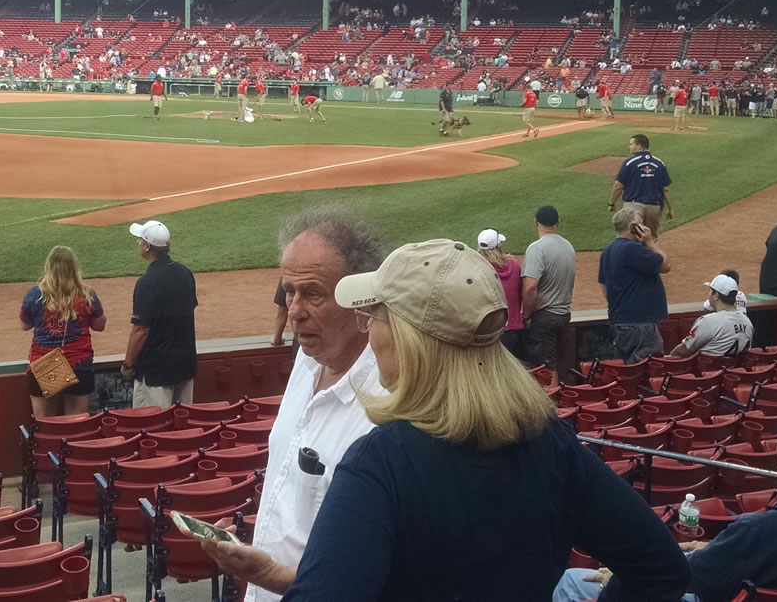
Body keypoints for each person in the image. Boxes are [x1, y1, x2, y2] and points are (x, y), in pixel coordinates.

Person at [214, 238, 691, 602]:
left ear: (409, 339)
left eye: (375, 317)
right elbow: (662, 569)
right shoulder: (550, 442)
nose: (369, 331)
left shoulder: (381, 462)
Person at [205, 206, 386, 602]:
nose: (294, 312)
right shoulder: (307, 358)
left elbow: (372, 575)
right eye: (289, 291)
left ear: (362, 300)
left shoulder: (387, 404)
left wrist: (270, 575)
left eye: (313, 294)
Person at [555, 404, 777, 602]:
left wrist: (622, 577)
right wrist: (715, 548)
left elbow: (674, 578)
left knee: (572, 580)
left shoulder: (760, 530)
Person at [21, 246, 106, 416]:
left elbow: (25, 325)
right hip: (78, 364)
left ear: (49, 267)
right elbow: (99, 325)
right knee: (76, 423)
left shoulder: (35, 294)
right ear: (74, 267)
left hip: (44, 363)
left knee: (45, 422)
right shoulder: (86, 294)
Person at [122, 220, 198, 406]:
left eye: (141, 240)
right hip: (185, 365)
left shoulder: (147, 282)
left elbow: (141, 330)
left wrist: (128, 364)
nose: (139, 243)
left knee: (153, 421)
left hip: (156, 372)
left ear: (147, 247)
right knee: (182, 421)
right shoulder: (185, 273)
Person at [599, 206, 672, 363]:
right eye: (641, 223)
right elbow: (665, 265)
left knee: (626, 370)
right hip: (640, 323)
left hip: (619, 321)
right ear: (633, 227)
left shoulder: (608, 250)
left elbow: (603, 285)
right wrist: (650, 242)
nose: (644, 227)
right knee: (646, 370)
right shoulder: (633, 249)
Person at [520, 205, 575, 373]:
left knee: (546, 371)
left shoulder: (537, 248)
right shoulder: (568, 246)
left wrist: (526, 316)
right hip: (564, 316)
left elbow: (530, 287)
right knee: (558, 365)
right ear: (558, 222)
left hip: (544, 318)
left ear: (536, 223)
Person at [670, 274, 752, 358]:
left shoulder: (708, 322)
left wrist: (669, 357)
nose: (708, 294)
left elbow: (683, 350)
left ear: (716, 296)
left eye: (710, 291)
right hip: (737, 366)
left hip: (710, 366)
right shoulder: (748, 322)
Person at [610, 134, 674, 238]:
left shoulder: (629, 163)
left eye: (631, 144)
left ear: (639, 146)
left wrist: (611, 203)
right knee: (650, 239)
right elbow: (666, 189)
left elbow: (618, 186)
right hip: (653, 207)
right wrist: (670, 209)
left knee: (627, 237)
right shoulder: (659, 163)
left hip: (632, 207)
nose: (630, 146)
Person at [479, 228, 525, 360]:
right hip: (514, 329)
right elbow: (521, 293)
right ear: (498, 245)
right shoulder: (514, 265)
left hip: (491, 333)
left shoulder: (481, 269)